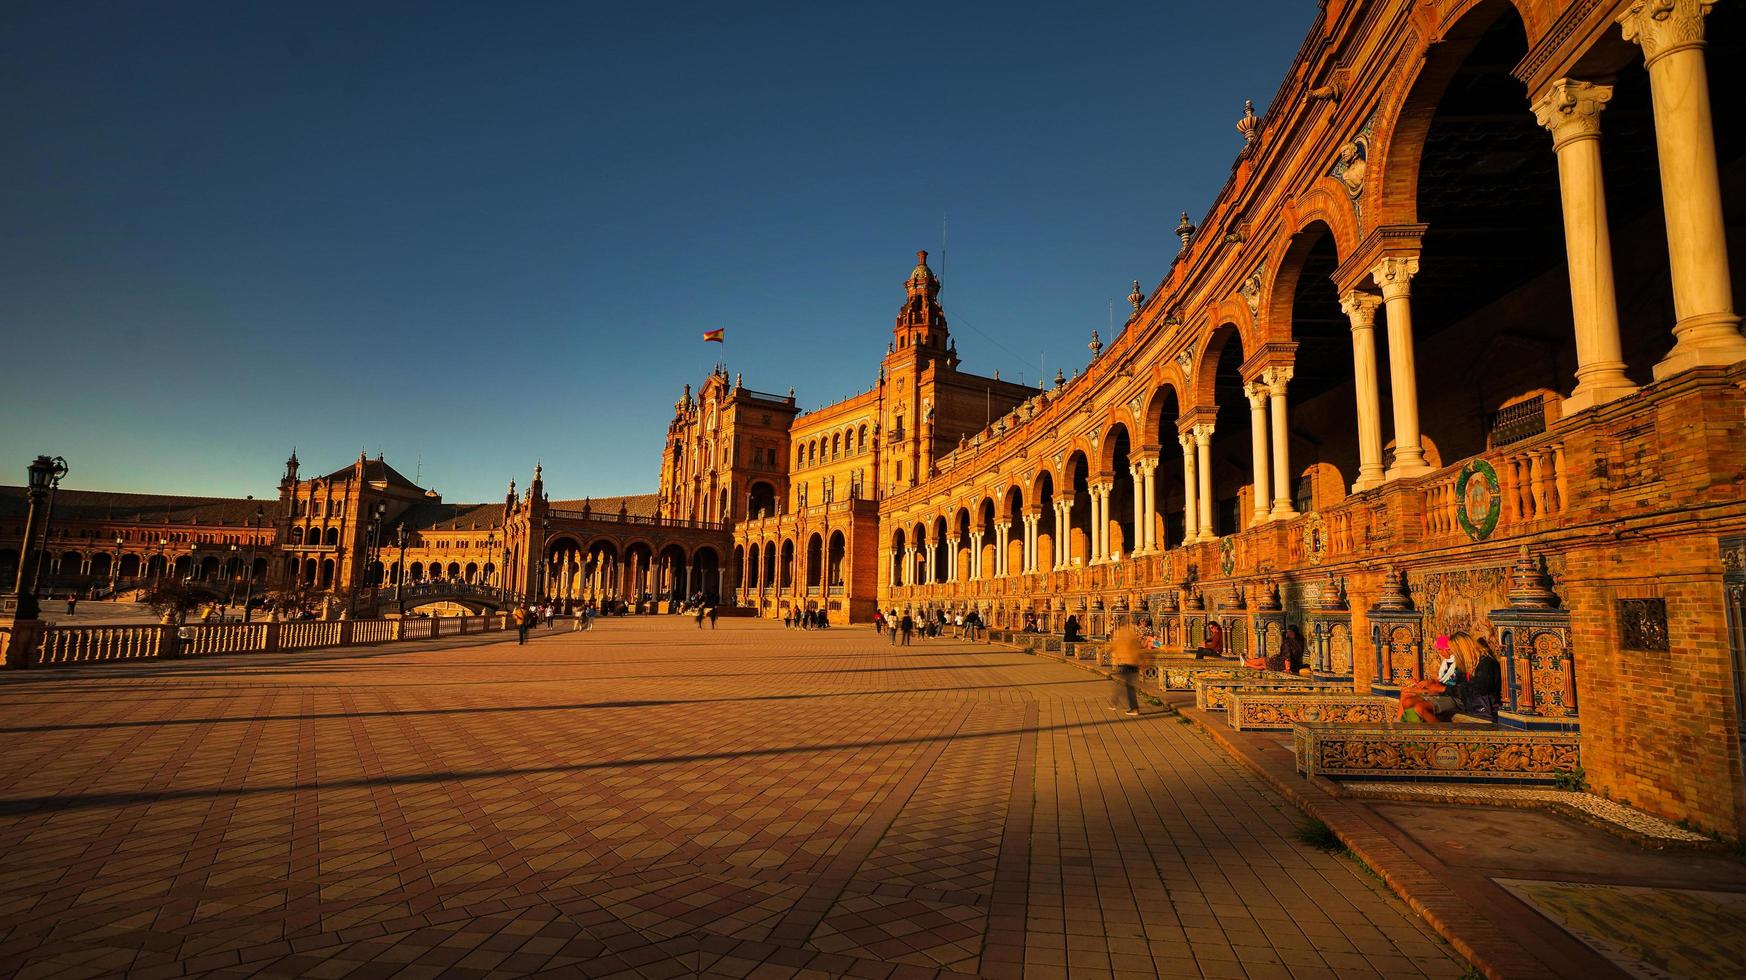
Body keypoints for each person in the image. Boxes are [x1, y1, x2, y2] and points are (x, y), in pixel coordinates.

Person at [1399, 633, 1477, 723]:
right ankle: (1399, 724)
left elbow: (1445, 688)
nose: (1439, 652)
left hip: (1453, 698)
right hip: (1443, 694)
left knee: (1416, 705)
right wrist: (1422, 684)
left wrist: (1420, 690)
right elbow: (1439, 681)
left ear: (1449, 649)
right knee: (1406, 697)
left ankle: (1442, 733)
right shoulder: (1446, 663)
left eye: (1441, 649)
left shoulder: (1458, 665)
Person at [1107, 624, 1146, 716]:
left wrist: (1109, 652)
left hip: (1126, 662)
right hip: (1134, 662)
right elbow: (1138, 648)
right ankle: (1115, 702)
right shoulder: (1133, 636)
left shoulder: (1120, 636)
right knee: (1124, 684)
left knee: (1127, 686)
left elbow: (1113, 646)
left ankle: (1133, 708)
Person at [1465, 636, 1503, 721]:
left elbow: (1482, 688)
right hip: (1475, 707)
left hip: (1486, 709)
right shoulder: (1474, 664)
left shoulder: (1486, 663)